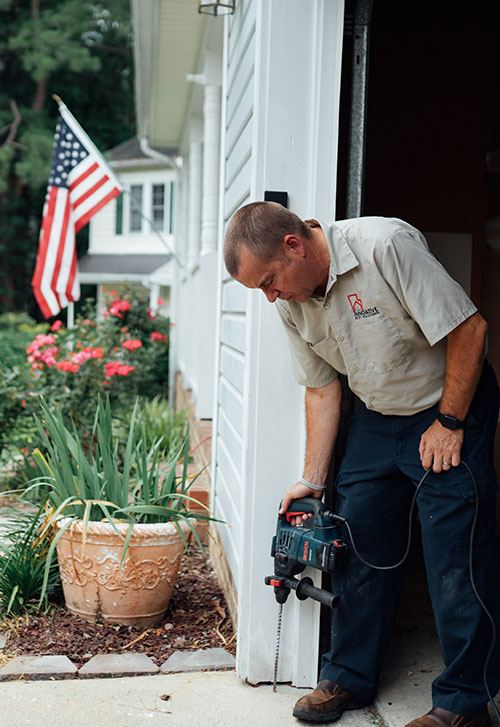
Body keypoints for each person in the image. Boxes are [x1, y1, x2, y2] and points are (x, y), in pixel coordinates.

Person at [224, 201, 500, 727]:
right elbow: (322, 388)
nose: (270, 296)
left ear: (293, 245)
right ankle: (347, 675)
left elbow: (471, 331)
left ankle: (464, 703)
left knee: (454, 555)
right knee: (359, 542)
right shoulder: (290, 300)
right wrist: (312, 478)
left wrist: (450, 422)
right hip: (378, 415)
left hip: (449, 405)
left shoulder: (384, 245)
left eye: (269, 282)